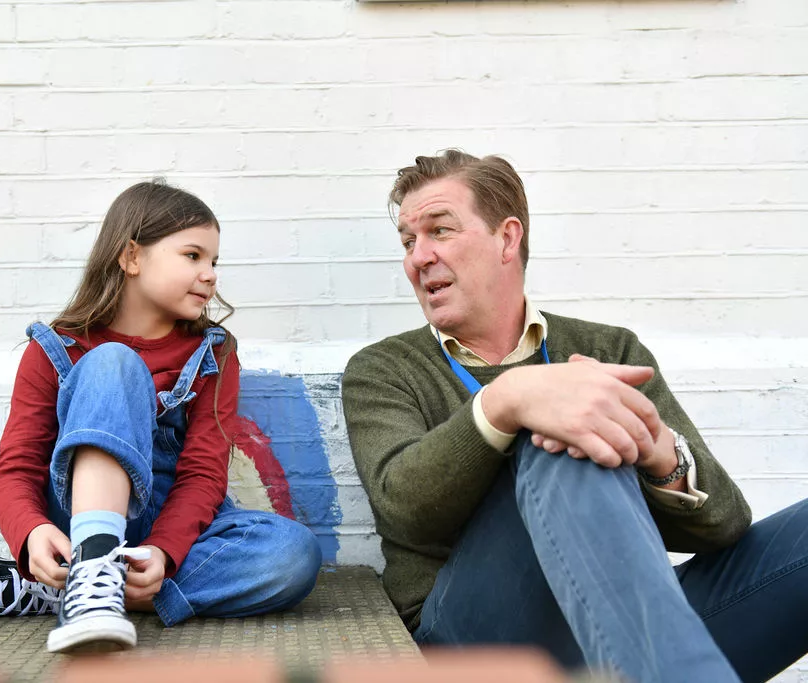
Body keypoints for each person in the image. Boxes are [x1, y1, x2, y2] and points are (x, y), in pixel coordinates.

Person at [341, 150, 808, 683]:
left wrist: (660, 454)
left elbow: (726, 524)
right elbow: (405, 507)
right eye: (407, 241)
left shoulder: (609, 348)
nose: (417, 257)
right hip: (481, 646)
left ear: (507, 238)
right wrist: (507, 401)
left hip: (637, 631)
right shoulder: (383, 369)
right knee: (561, 441)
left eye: (439, 231)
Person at [0, 180, 322, 654]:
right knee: (114, 362)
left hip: (163, 529)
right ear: (131, 257)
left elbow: (203, 474)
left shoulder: (213, 355)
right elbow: (15, 469)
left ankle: (67, 590)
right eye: (193, 256)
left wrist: (163, 551)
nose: (211, 274)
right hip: (74, 519)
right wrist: (32, 534)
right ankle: (90, 570)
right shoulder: (57, 349)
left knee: (292, 554)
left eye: (214, 261)